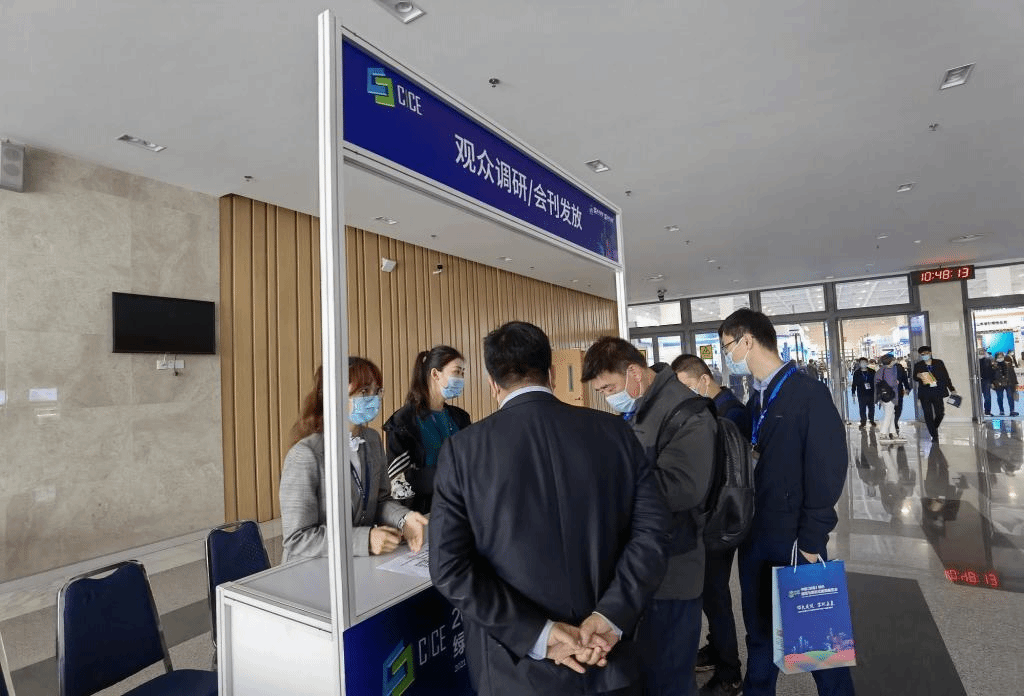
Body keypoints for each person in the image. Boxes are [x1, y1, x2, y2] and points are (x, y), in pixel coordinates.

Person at [429, 322, 671, 696]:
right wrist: (610, 616)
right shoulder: (616, 433)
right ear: (553, 374)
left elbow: (449, 568)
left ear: (492, 384)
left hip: (516, 674)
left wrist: (539, 635)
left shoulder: (463, 451)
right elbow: (653, 533)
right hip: (608, 659)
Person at [717, 309, 853, 696]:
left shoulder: (807, 393)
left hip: (794, 538)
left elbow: (828, 468)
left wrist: (812, 539)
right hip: (756, 534)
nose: (727, 356)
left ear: (747, 340)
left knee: (816, 642)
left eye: (727, 347)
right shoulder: (756, 396)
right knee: (760, 633)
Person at [582, 338, 716, 696]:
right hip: (642, 568)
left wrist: (610, 478)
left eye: (609, 388)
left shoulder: (688, 413)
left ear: (634, 372)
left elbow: (683, 488)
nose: (607, 397)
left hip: (674, 571)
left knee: (669, 678)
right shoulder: (642, 408)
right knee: (646, 674)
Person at [280, 361, 428, 562]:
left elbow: (380, 500)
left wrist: (404, 518)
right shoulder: (304, 454)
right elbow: (297, 538)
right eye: (364, 391)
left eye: (377, 391)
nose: (373, 398)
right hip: (310, 568)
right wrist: (365, 540)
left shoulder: (372, 439)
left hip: (353, 563)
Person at [672, 354, 753, 696]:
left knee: (716, 597)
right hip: (715, 518)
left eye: (687, 387)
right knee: (712, 595)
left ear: (703, 380)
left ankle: (729, 672)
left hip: (720, 520)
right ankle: (717, 648)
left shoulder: (729, 414)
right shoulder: (717, 409)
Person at [384, 346, 471, 514]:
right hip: (422, 514)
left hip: (462, 510)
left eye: (463, 373)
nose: (461, 378)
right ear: (435, 374)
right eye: (456, 372)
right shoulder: (403, 421)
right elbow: (397, 482)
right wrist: (446, 476)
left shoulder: (461, 418)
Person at [912, 346, 957, 442]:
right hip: (925, 393)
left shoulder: (938, 363)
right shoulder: (918, 365)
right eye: (922, 354)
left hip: (937, 391)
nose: (925, 356)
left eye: (926, 353)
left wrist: (952, 389)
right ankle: (934, 435)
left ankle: (933, 427)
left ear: (930, 353)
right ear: (920, 355)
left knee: (940, 413)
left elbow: (945, 376)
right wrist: (918, 375)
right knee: (928, 414)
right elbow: (914, 378)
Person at [874, 353, 906, 443]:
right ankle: (883, 433)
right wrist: (896, 382)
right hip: (889, 396)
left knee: (892, 414)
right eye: (893, 359)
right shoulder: (888, 370)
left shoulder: (881, 370)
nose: (895, 360)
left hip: (883, 396)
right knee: (889, 414)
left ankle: (893, 433)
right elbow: (891, 383)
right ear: (890, 361)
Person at [850, 356, 876, 429]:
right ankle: (863, 421)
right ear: (859, 363)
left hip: (871, 393)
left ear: (867, 363)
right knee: (862, 408)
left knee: (871, 408)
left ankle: (871, 420)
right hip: (861, 393)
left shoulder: (872, 371)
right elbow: (854, 383)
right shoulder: (857, 373)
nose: (863, 364)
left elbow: (876, 382)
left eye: (864, 362)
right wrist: (853, 392)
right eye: (861, 362)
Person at [992, 352, 1020, 416]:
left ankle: (1012, 411)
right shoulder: (994, 367)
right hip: (998, 383)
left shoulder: (1009, 365)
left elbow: (1013, 374)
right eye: (999, 357)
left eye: (1001, 356)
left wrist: (1015, 383)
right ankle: (1001, 411)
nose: (1000, 358)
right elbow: (992, 375)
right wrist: (992, 383)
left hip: (1008, 382)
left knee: (1010, 397)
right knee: (1000, 397)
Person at [978, 348, 995, 417]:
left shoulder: (988, 360)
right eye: (980, 351)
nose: (982, 352)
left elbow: (991, 371)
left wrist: (992, 381)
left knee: (987, 397)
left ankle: (987, 411)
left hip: (986, 380)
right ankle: (978, 412)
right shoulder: (975, 361)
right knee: (977, 397)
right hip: (977, 380)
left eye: (983, 351)